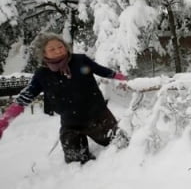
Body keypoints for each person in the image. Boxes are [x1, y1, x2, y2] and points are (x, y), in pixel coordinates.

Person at [0, 33, 128, 164]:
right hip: (70, 123)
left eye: (60, 46)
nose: (58, 50)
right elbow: (26, 96)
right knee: (75, 161)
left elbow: (101, 70)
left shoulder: (80, 60)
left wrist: (122, 78)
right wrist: (5, 120)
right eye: (52, 49)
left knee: (119, 144)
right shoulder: (41, 74)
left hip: (97, 116)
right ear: (43, 53)